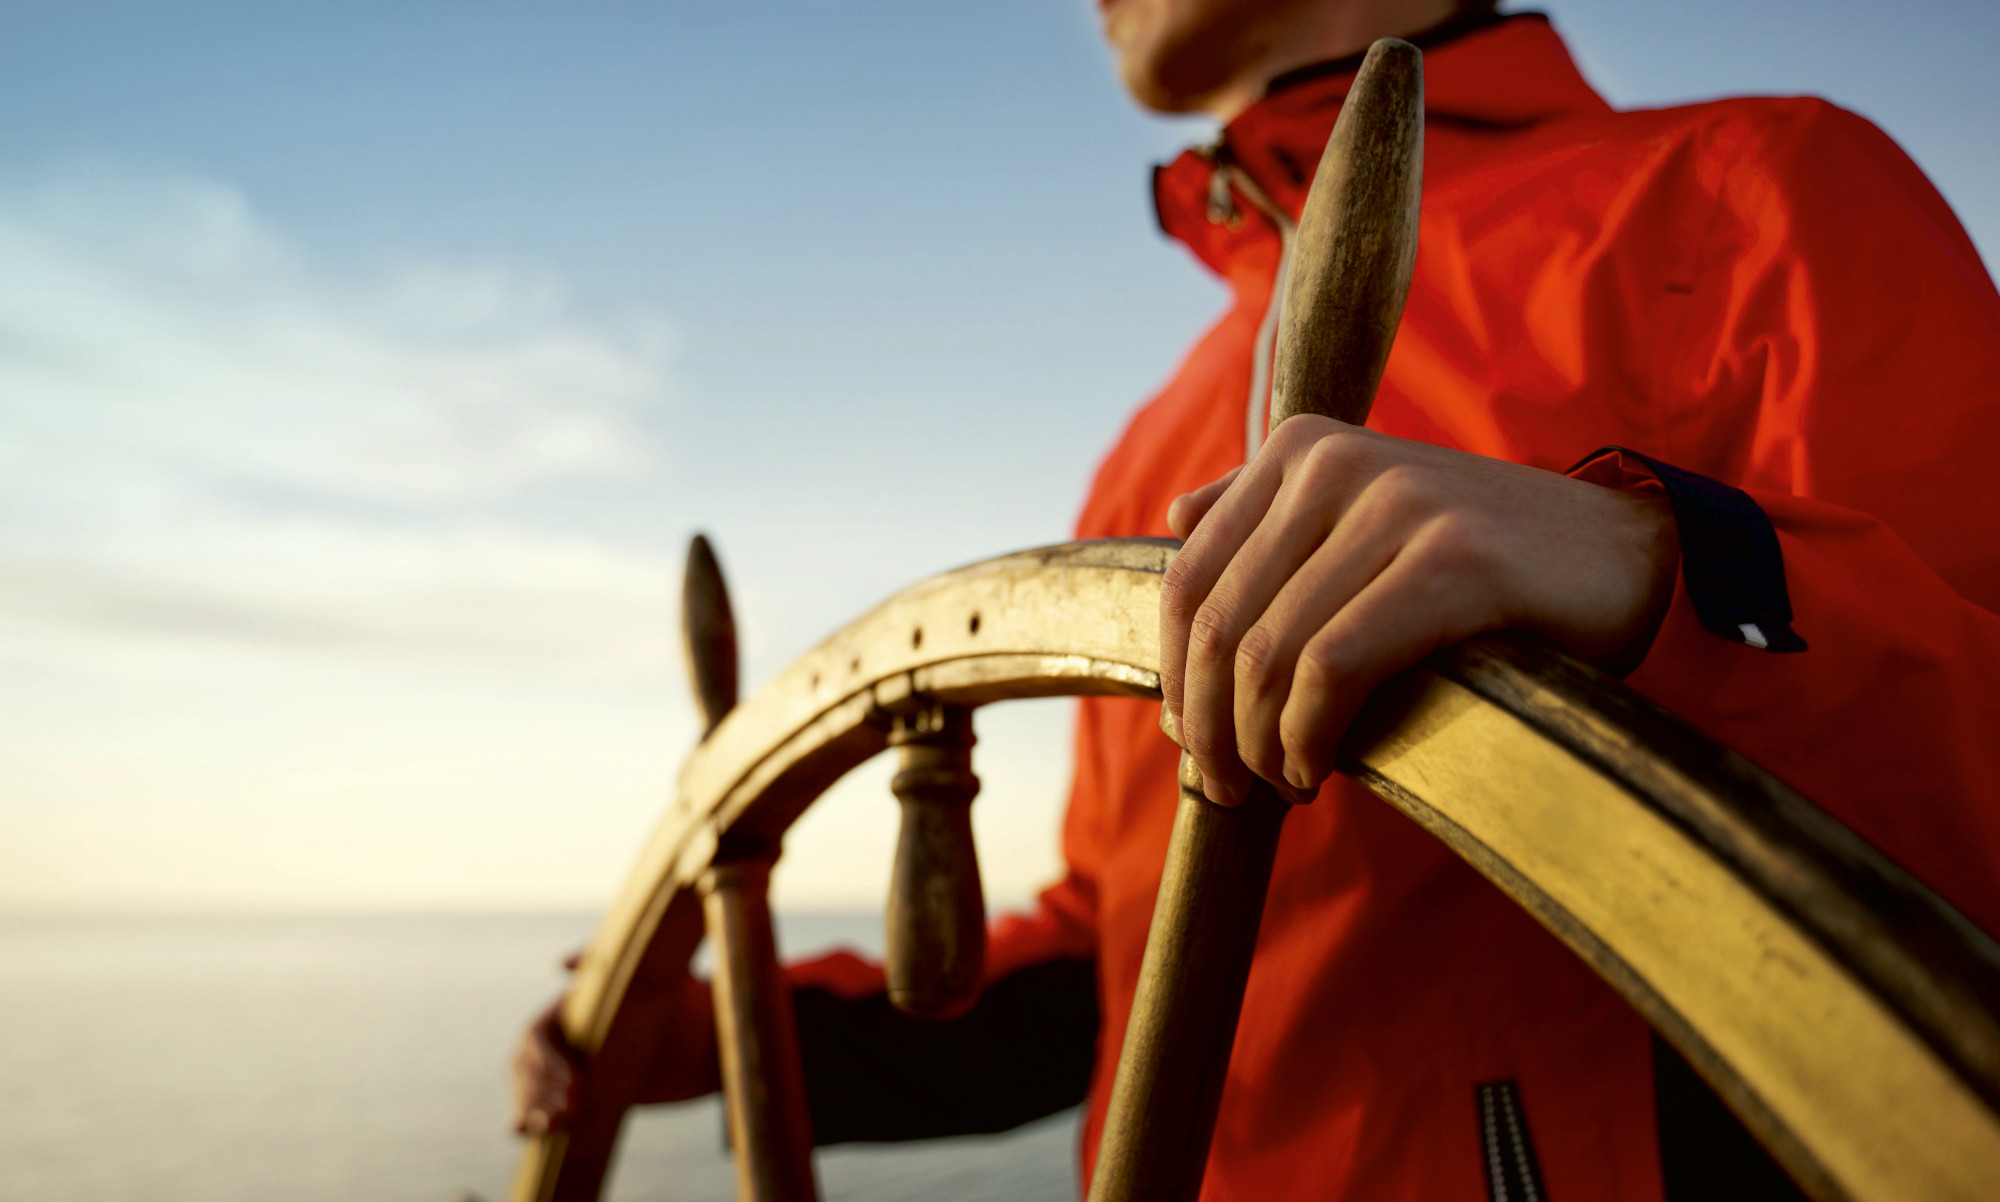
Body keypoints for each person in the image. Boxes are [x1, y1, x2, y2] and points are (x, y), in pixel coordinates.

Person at [514, 2, 2000, 1198]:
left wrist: (1651, 567)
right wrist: (734, 1032)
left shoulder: (1759, 190)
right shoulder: (1154, 445)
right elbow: (1120, 963)